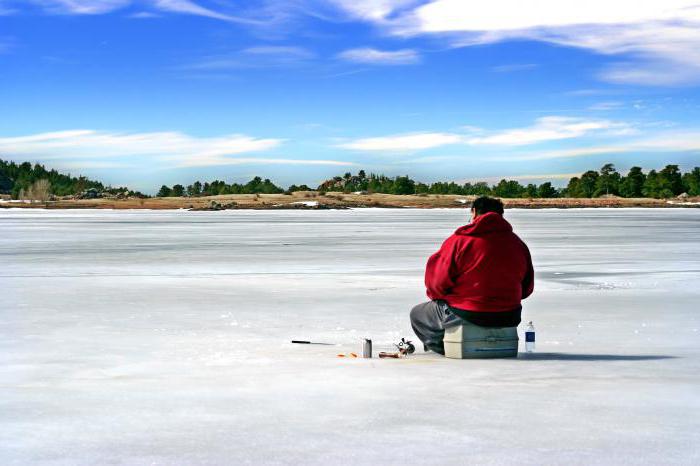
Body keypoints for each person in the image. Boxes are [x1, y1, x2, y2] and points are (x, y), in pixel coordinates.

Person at [410, 196, 534, 355]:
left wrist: (441, 297)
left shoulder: (459, 241)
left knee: (418, 314)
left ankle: (448, 349)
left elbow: (437, 283)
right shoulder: (518, 244)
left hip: (468, 312)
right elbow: (527, 288)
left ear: (474, 212)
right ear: (501, 215)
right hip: (508, 315)